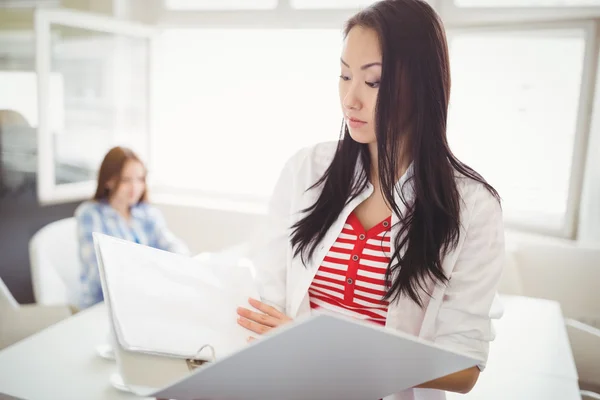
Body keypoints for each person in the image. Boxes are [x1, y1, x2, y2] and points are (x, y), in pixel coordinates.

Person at [236, 1, 504, 399]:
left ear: (423, 84)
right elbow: (270, 305)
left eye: (373, 81)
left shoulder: (472, 206)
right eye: (344, 76)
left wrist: (323, 348)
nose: (350, 99)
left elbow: (462, 367)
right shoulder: (306, 169)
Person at [75, 146, 189, 310]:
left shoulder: (146, 212)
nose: (135, 187)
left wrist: (182, 263)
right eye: (126, 180)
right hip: (102, 307)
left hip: (140, 299)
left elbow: (171, 244)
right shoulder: (90, 215)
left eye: (140, 179)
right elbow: (98, 274)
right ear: (109, 180)